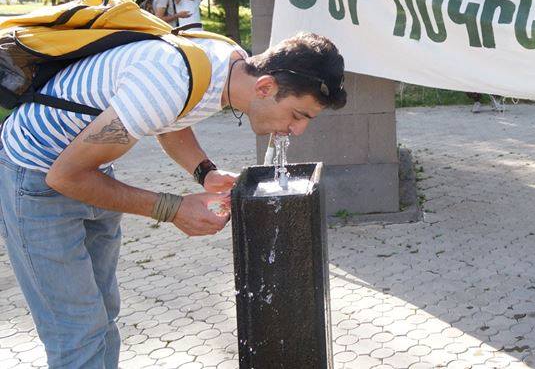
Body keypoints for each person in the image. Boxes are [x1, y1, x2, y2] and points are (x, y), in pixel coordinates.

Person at [0, 31, 346, 368]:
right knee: (76, 332)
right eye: (298, 116)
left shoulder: (226, 61)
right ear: (265, 87)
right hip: (35, 181)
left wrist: (204, 172)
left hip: (92, 170)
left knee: (103, 315)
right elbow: (64, 177)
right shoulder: (167, 82)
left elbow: (171, 116)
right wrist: (173, 208)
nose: (297, 130)